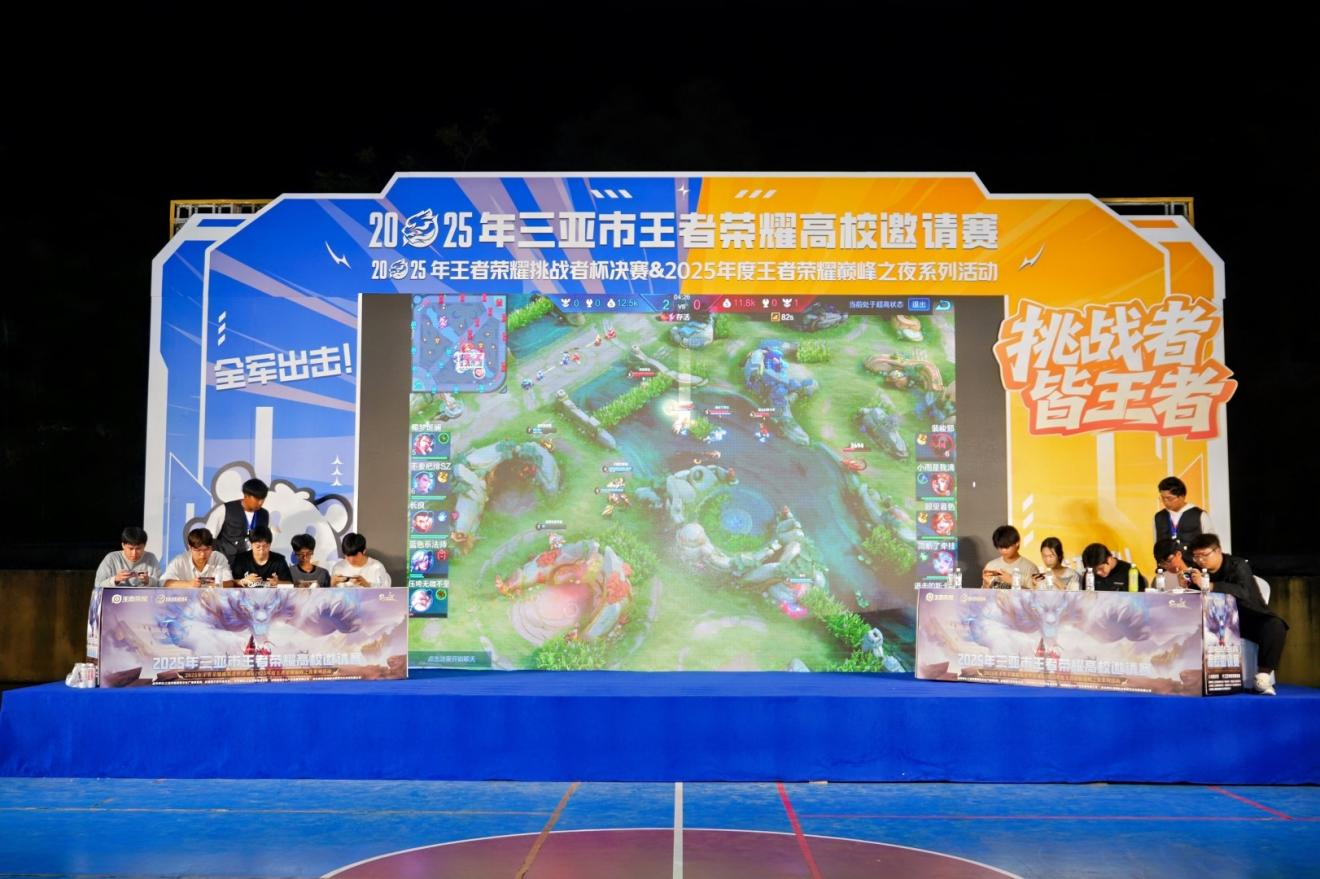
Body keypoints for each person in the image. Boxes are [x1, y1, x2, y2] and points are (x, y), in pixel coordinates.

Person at [1188, 533, 1287, 695]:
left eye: (1204, 555)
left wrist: (1209, 585)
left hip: (1246, 617)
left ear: (1218, 551)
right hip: (1215, 621)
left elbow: (1243, 592)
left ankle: (1262, 677)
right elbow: (1194, 598)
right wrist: (1187, 585)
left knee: (1275, 625)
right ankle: (1199, 678)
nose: (1200, 560)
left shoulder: (1237, 565)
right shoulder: (1196, 571)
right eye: (1196, 556)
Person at [88, 527, 160, 660]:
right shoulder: (111, 558)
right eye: (130, 548)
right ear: (123, 545)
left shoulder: (151, 558)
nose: (134, 553)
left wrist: (148, 581)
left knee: (143, 649)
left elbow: (160, 585)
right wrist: (115, 579)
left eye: (139, 549)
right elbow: (97, 586)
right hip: (115, 609)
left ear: (144, 546)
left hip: (141, 611)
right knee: (118, 646)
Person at [216, 478, 270, 563]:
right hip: (226, 563)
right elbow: (208, 538)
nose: (260, 503)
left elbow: (266, 540)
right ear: (246, 496)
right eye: (257, 499)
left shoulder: (264, 515)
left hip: (251, 564)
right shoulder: (225, 509)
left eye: (263, 499)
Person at [1155, 476, 1214, 552]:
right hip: (1167, 559)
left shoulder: (1200, 515)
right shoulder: (1159, 517)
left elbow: (1210, 544)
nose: (1165, 502)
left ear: (1182, 496)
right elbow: (1156, 546)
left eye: (1169, 498)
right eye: (1163, 498)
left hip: (1193, 559)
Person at [163, 528, 235, 587]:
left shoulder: (218, 558)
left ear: (211, 547)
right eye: (198, 550)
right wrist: (188, 584)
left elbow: (230, 583)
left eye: (207, 549)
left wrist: (207, 582)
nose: (202, 554)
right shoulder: (180, 561)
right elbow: (165, 583)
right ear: (190, 548)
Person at [1081, 543, 1148, 592]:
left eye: (1100, 568)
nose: (1098, 572)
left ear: (1109, 559)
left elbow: (1139, 599)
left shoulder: (1130, 571)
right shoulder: (1089, 575)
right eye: (1094, 570)